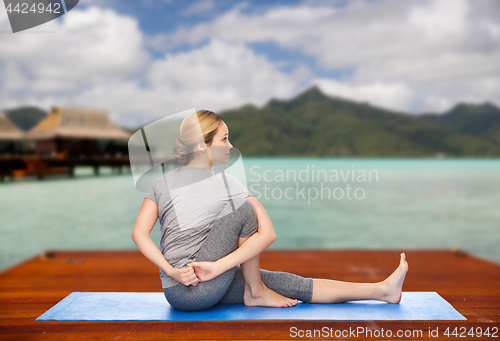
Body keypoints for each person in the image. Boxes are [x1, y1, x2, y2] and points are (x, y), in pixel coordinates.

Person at [131, 109, 409, 311]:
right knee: (247, 209)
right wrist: (216, 267)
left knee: (286, 284)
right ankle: (255, 292)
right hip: (201, 285)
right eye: (224, 139)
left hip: (176, 293)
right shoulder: (227, 184)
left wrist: (172, 271)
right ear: (203, 146)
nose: (230, 146)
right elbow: (267, 233)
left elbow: (139, 234)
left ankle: (383, 290)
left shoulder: (161, 183)